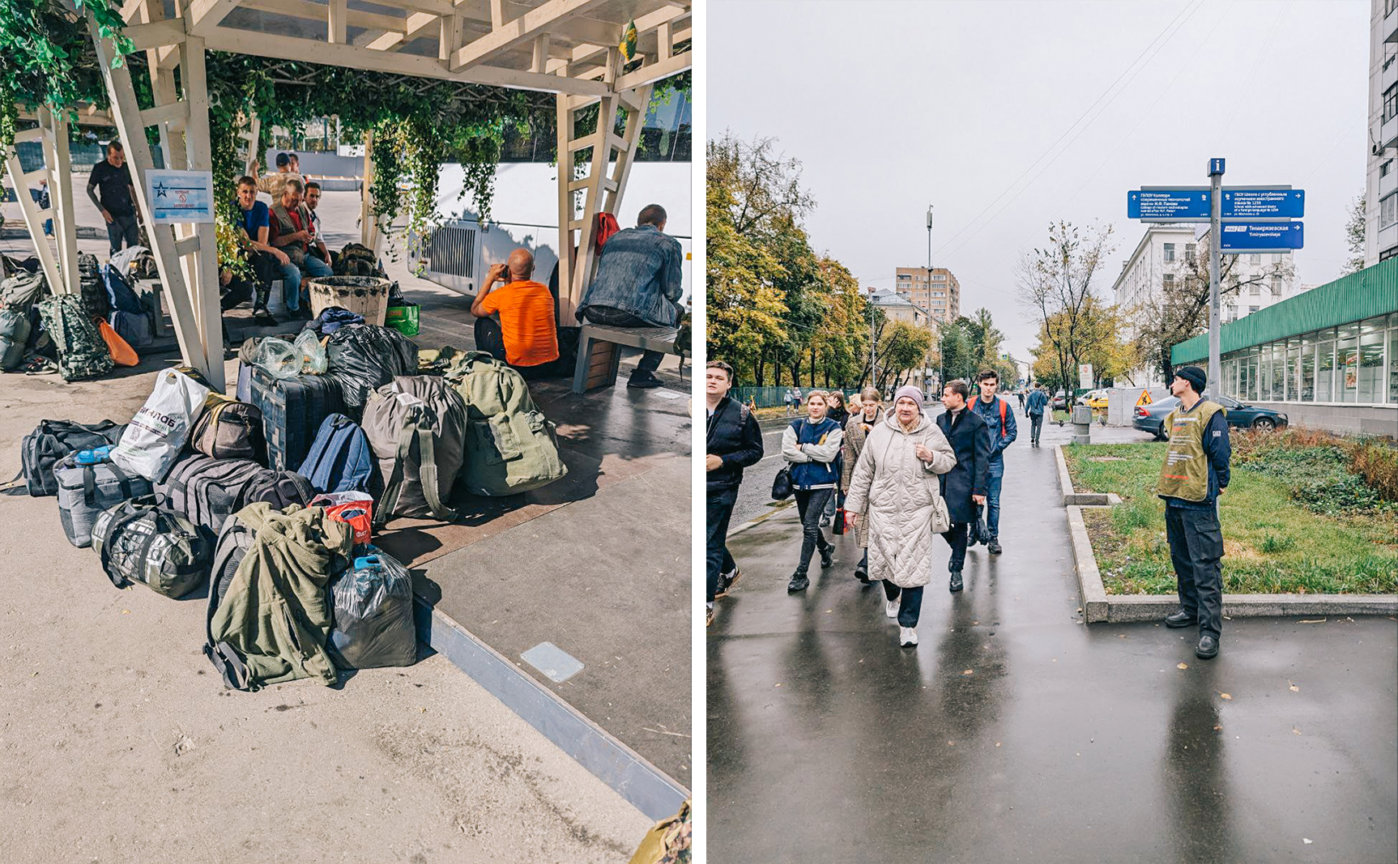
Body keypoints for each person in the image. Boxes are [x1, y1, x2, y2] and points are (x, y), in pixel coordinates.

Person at [844, 386, 956, 647]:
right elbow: (863, 472)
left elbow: (949, 460)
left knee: (914, 570)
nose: (906, 408)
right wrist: (853, 507)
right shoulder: (881, 433)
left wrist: (931, 457)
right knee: (883, 562)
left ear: (919, 407)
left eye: (911, 404)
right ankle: (893, 595)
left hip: (917, 512)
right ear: (895, 406)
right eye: (902, 403)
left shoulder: (931, 432)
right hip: (881, 510)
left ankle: (908, 626)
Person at [1157, 366, 1230, 660]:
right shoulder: (1176, 414)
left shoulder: (1211, 413)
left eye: (1175, 379)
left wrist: (1221, 482)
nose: (1172, 383)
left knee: (1205, 566)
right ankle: (1189, 610)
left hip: (1198, 503)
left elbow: (1220, 453)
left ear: (1187, 383)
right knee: (1182, 561)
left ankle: (1210, 632)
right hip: (1175, 499)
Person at [576, 204, 684, 389]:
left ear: (638, 221)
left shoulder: (614, 238)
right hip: (628, 314)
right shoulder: (668, 243)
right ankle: (643, 373)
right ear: (662, 224)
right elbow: (672, 291)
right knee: (677, 311)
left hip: (592, 309)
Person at [706, 360, 764, 625]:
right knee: (712, 540)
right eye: (708, 376)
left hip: (722, 488)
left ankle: (705, 604)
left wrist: (723, 461)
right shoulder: (691, 407)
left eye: (719, 377)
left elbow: (755, 451)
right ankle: (729, 569)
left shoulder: (741, 414)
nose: (712, 380)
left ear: (728, 384)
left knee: (708, 546)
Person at [780, 390, 844, 593]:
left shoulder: (833, 427)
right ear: (807, 405)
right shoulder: (796, 426)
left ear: (826, 406)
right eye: (812, 403)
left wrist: (804, 448)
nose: (815, 407)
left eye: (819, 404)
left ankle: (801, 573)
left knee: (809, 526)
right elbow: (787, 451)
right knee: (807, 523)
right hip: (799, 483)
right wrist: (811, 457)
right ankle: (825, 549)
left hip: (823, 483)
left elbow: (828, 454)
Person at [936, 380, 991, 592]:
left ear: (958, 397)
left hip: (963, 483)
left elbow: (982, 458)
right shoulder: (940, 420)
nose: (942, 398)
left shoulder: (976, 423)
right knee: (938, 523)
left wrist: (979, 490)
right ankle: (959, 549)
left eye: (946, 394)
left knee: (958, 524)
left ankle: (956, 570)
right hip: (940, 481)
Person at [471, 248, 560, 378]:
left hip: (518, 368)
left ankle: (486, 368)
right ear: (533, 268)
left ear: (508, 271)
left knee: (481, 323)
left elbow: (475, 310)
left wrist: (490, 279)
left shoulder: (501, 295)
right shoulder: (544, 291)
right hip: (548, 366)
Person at [267, 178, 333, 318]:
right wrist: (296, 236)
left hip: (303, 254)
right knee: (294, 274)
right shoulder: (273, 212)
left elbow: (311, 229)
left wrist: (310, 236)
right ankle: (293, 308)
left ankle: (304, 298)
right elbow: (274, 242)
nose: (297, 204)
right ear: (285, 194)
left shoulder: (301, 209)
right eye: (294, 200)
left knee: (327, 272)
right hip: (283, 255)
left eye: (300, 200)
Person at [969, 369, 1017, 555]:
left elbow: (1012, 432)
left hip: (995, 461)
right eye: (985, 384)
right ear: (979, 384)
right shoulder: (970, 405)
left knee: (994, 501)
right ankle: (974, 532)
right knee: (973, 498)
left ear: (996, 385)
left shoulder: (1003, 407)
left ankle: (993, 538)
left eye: (992, 384)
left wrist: (996, 447)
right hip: (973, 461)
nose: (989, 388)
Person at [840, 387, 883, 584]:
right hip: (862, 477)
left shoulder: (889, 421)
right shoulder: (853, 423)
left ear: (878, 404)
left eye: (872, 405)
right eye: (865, 406)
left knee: (880, 520)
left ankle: (873, 562)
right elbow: (848, 454)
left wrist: (876, 434)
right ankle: (867, 563)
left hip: (884, 478)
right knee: (864, 520)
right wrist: (846, 482)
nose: (868, 409)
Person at [231, 175, 281, 324]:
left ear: (257, 192)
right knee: (267, 253)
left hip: (254, 252)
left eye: (252, 192)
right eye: (245, 191)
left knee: (265, 259)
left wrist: (255, 250)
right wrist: (275, 250)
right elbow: (244, 242)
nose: (248, 196)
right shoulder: (234, 208)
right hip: (235, 255)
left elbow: (262, 242)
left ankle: (261, 305)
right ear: (238, 192)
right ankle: (220, 310)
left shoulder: (261, 208)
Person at [87, 140, 139, 256]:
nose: (119, 161)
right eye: (116, 158)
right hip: (112, 215)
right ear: (108, 156)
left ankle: (132, 272)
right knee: (116, 249)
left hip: (129, 212)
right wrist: (102, 210)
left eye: (122, 158)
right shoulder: (100, 168)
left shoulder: (125, 168)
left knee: (134, 247)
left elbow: (132, 188)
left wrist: (139, 210)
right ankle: (116, 271)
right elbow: (89, 190)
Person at [821, 392, 851, 527]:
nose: (830, 402)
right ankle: (826, 515)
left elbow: (846, 433)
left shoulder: (846, 415)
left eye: (833, 400)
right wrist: (830, 410)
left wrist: (838, 434)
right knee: (826, 486)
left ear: (839, 402)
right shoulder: (825, 413)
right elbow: (823, 429)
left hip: (840, 454)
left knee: (841, 485)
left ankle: (841, 513)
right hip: (826, 455)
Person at [302, 181, 331, 264]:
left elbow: (319, 240)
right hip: (304, 252)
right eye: (311, 196)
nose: (314, 199)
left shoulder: (316, 217)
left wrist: (327, 254)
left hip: (313, 249)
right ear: (304, 196)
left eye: (317, 197)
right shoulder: (300, 212)